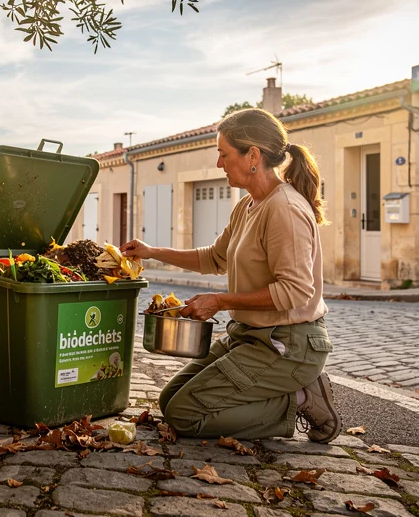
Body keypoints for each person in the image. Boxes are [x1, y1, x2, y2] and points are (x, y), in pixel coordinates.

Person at [120, 108, 340, 443]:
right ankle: (283, 394)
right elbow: (214, 258)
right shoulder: (248, 205)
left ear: (252, 155)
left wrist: (220, 300)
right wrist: (152, 252)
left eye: (223, 154)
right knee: (169, 401)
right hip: (250, 336)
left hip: (288, 345)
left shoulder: (285, 209)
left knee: (185, 415)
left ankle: (300, 399)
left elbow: (295, 292)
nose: (220, 163)